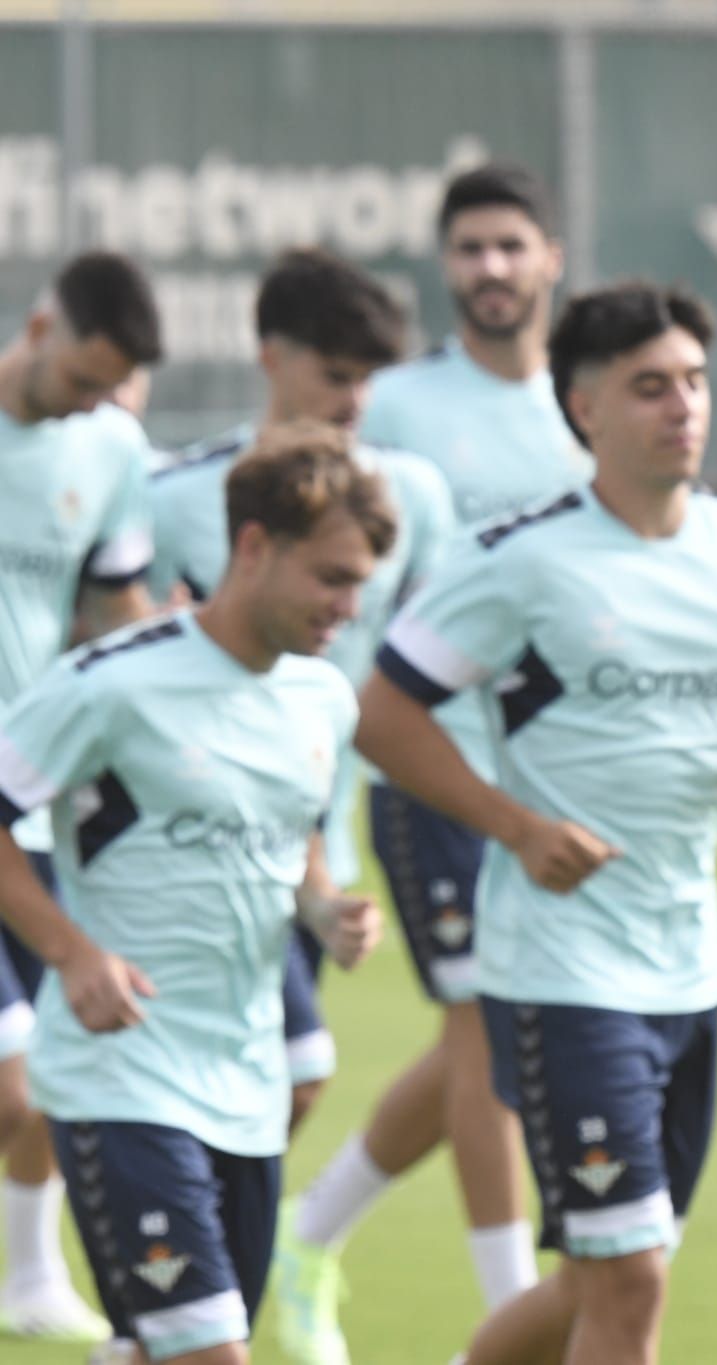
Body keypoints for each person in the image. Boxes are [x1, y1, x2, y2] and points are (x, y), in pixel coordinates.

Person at [360, 280, 717, 1365]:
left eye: (696, 382)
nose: (683, 407)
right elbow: (382, 712)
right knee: (631, 1284)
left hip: (689, 967)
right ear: (584, 410)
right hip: (562, 972)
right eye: (650, 387)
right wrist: (513, 826)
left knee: (599, 1281)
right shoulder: (519, 558)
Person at [273, 161, 590, 1361]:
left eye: (511, 245)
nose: (490, 269)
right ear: (445, 268)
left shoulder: (590, 406)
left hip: (552, 780)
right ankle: (514, 1318)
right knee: (485, 1035)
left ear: (551, 257)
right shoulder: (397, 410)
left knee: (491, 1033)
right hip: (429, 768)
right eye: (467, 250)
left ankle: (308, 1239)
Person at [0, 422, 387, 1365]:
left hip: (247, 1090)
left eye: (359, 585)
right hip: (121, 1079)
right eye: (330, 577)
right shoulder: (112, 683)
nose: (346, 606)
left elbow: (290, 829)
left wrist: (326, 903)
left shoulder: (323, 698)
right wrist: (73, 953)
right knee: (209, 1354)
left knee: (157, 1348)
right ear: (253, 546)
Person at [148, 247, 456, 1139]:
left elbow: (422, 673)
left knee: (273, 1083)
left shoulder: (413, 500)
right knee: (273, 1067)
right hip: (183, 845)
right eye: (334, 374)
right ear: (270, 356)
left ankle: (219, 1250)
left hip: (316, 841)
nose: (355, 400)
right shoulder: (171, 497)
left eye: (369, 378)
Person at [0, 250, 161, 1345]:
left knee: (57, 1058)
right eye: (83, 376)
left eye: (112, 386)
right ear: (42, 324)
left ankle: (26, 1275)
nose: (94, 400)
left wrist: (175, 658)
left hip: (30, 785)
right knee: (18, 1077)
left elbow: (112, 606)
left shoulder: (111, 449)